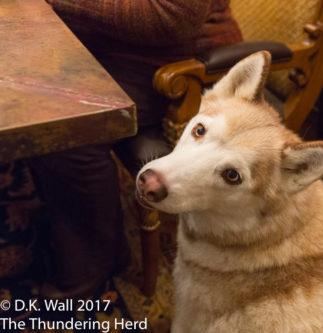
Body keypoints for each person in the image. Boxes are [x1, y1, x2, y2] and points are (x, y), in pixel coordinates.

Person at [30, 0, 242, 299]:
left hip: (180, 68)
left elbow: (173, 17)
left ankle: (93, 266)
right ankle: (71, 221)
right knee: (27, 90)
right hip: (119, 48)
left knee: (66, 132)